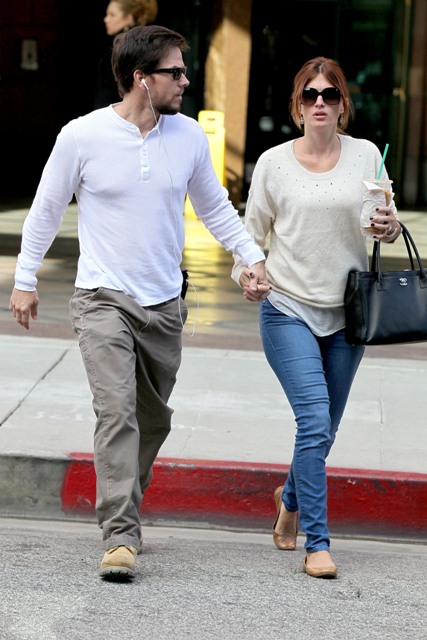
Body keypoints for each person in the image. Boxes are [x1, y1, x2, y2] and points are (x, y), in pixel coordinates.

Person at [9, 24, 270, 581]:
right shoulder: (82, 136)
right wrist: (25, 279)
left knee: (152, 421)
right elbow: (46, 210)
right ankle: (120, 533)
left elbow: (214, 207)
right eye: (175, 72)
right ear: (140, 79)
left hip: (165, 303)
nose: (185, 80)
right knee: (117, 412)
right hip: (102, 298)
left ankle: (125, 502)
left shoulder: (188, 136)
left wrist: (251, 256)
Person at [232, 56, 401, 579]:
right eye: (311, 94)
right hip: (288, 309)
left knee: (323, 430)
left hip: (348, 314)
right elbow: (249, 238)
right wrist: (249, 274)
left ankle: (288, 500)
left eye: (330, 94)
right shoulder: (273, 164)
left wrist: (388, 225)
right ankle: (318, 543)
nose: (320, 102)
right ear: (298, 106)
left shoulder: (367, 155)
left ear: (343, 104)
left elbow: (386, 224)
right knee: (312, 420)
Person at [94, 0, 158, 108]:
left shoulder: (124, 49)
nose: (106, 19)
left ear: (128, 18)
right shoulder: (139, 44)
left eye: (112, 15)